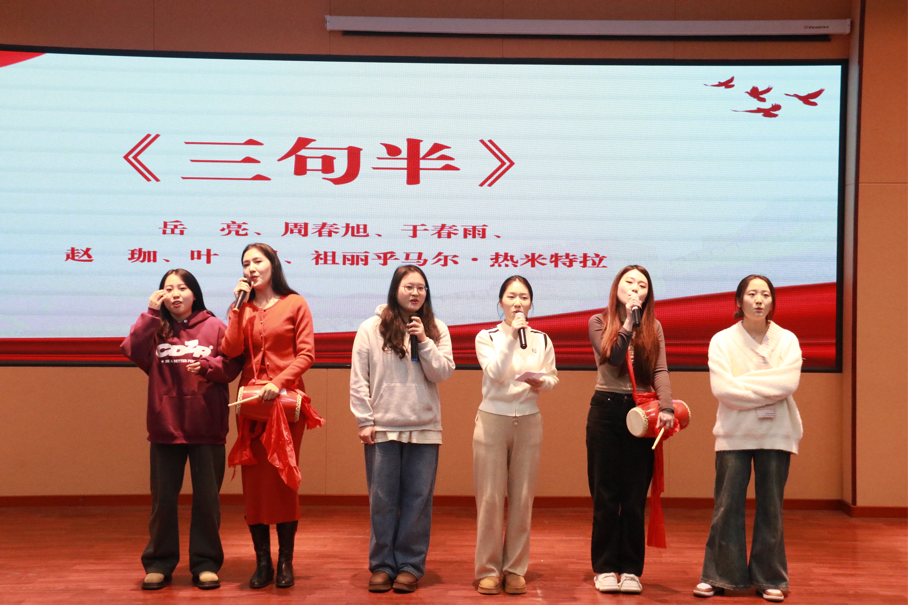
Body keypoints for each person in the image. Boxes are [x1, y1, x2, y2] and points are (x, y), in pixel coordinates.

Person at [121, 268, 242, 591]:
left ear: (194, 293)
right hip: (166, 428)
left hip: (207, 427)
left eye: (182, 288)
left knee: (207, 502)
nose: (175, 294)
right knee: (163, 502)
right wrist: (150, 313)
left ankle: (205, 563)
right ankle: (159, 563)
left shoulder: (215, 326)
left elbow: (233, 364)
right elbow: (132, 350)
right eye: (168, 289)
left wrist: (208, 366)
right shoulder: (155, 328)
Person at [693, 275, 802, 603]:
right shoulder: (722, 340)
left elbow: (788, 383)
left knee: (771, 508)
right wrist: (767, 387)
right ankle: (718, 575)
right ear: (739, 301)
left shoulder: (787, 339)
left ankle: (770, 578)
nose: (759, 300)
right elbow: (723, 389)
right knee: (726, 506)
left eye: (765, 294)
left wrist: (743, 385)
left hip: (777, 432)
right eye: (752, 294)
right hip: (734, 433)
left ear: (772, 301)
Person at [222, 243, 324, 589]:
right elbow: (230, 349)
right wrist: (237, 310)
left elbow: (307, 354)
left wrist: (278, 382)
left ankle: (285, 561)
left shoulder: (295, 303)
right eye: (245, 263)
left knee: (283, 481)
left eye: (257, 261)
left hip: (285, 404)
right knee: (253, 485)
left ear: (273, 265)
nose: (251, 268)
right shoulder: (242, 308)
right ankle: (262, 562)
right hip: (251, 405)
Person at [349, 265, 455, 593]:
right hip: (382, 427)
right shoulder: (370, 328)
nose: (415, 293)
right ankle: (382, 565)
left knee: (417, 501)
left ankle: (409, 565)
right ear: (395, 289)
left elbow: (442, 373)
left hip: (425, 427)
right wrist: (364, 420)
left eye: (421, 288)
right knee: (382, 500)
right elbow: (359, 378)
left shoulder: (436, 328)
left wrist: (423, 340)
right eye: (409, 286)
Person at [586, 265, 675, 595]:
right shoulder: (599, 322)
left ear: (649, 293)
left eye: (642, 284)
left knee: (635, 497)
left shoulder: (654, 327)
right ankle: (605, 567)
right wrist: (627, 323)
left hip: (642, 413)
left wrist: (666, 407)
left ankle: (631, 570)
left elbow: (660, 370)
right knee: (606, 496)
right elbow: (612, 358)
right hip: (606, 411)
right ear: (617, 288)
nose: (636, 288)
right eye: (629, 282)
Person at [473, 276, 558, 595]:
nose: (517, 302)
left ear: (531, 303)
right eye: (511, 296)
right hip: (492, 421)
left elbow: (552, 378)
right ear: (501, 302)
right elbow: (495, 373)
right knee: (490, 499)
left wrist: (542, 382)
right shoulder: (487, 336)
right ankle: (488, 569)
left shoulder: (542, 339)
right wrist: (512, 337)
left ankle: (514, 569)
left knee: (522, 498)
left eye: (523, 297)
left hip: (529, 421)